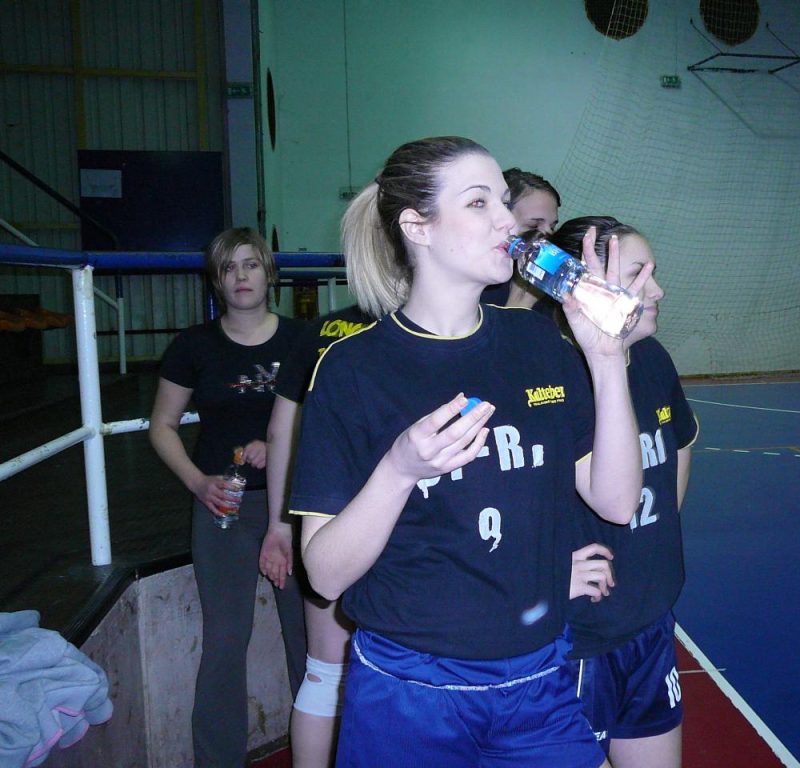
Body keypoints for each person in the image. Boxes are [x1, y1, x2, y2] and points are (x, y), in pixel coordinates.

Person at [288, 136, 651, 768]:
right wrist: (399, 469)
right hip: (409, 688)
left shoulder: (536, 340)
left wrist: (605, 359)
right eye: (479, 203)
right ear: (417, 227)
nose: (508, 222)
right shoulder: (352, 368)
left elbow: (617, 502)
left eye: (504, 203)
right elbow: (324, 575)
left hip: (539, 681)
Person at [148, 227, 307, 767]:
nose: (241, 276)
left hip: (294, 508)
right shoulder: (193, 346)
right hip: (224, 507)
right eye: (229, 267)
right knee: (224, 641)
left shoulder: (303, 340)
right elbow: (162, 425)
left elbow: (325, 417)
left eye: (251, 264)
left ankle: (328, 753)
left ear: (269, 273)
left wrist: (281, 443)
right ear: (216, 280)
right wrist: (198, 482)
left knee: (307, 639)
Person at [550, 217, 698, 768]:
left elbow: (681, 441)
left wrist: (651, 540)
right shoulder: (553, 377)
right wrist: (543, 569)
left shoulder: (654, 360)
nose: (656, 291)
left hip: (649, 620)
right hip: (580, 636)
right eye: (637, 275)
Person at [264, 302, 372, 768]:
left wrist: (280, 523)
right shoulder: (430, 325)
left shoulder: (319, 331)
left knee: (324, 673)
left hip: (327, 513)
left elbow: (280, 432)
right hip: (396, 521)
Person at [480, 166, 561, 309]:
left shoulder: (547, 282)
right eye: (533, 226)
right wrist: (519, 308)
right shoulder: (481, 281)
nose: (547, 237)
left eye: (552, 227)